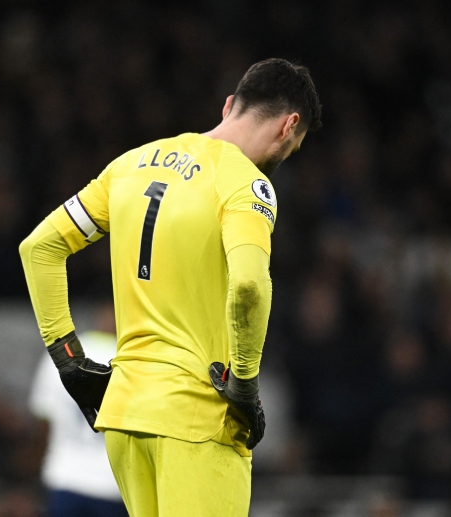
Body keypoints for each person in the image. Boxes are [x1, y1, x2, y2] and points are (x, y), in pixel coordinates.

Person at [19, 58, 321, 516]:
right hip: (197, 415)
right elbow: (249, 287)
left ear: (228, 107)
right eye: (293, 147)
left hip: (125, 417)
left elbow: (39, 247)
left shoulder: (130, 165)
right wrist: (242, 384)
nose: (285, 158)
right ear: (288, 126)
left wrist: (70, 361)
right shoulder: (245, 184)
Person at [28, 306, 129, 517]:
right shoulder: (130, 361)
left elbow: (43, 419)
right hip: (113, 485)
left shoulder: (61, 355)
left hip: (65, 477)